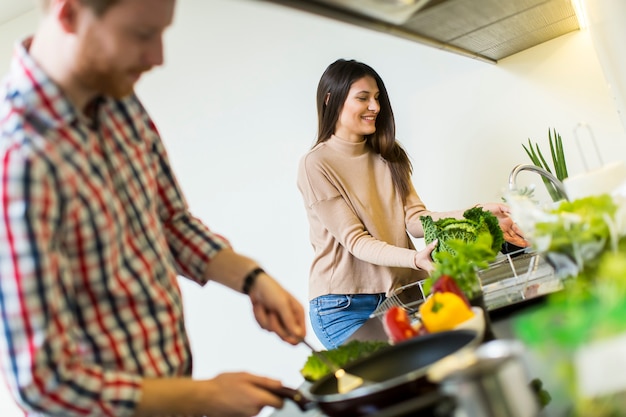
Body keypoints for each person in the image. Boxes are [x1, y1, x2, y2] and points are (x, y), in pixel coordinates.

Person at [0, 0, 306, 416]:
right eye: (142, 35)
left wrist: (252, 279)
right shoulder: (19, 160)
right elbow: (44, 381)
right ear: (69, 14)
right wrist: (209, 395)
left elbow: (169, 222)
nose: (157, 58)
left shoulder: (118, 100)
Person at [297, 58, 527, 349]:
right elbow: (356, 241)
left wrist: (474, 213)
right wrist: (414, 259)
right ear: (331, 99)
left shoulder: (388, 154)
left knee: (445, 360)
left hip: (400, 292)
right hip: (345, 308)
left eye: (377, 98)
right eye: (363, 98)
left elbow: (415, 220)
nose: (375, 108)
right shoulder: (316, 164)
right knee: (410, 375)